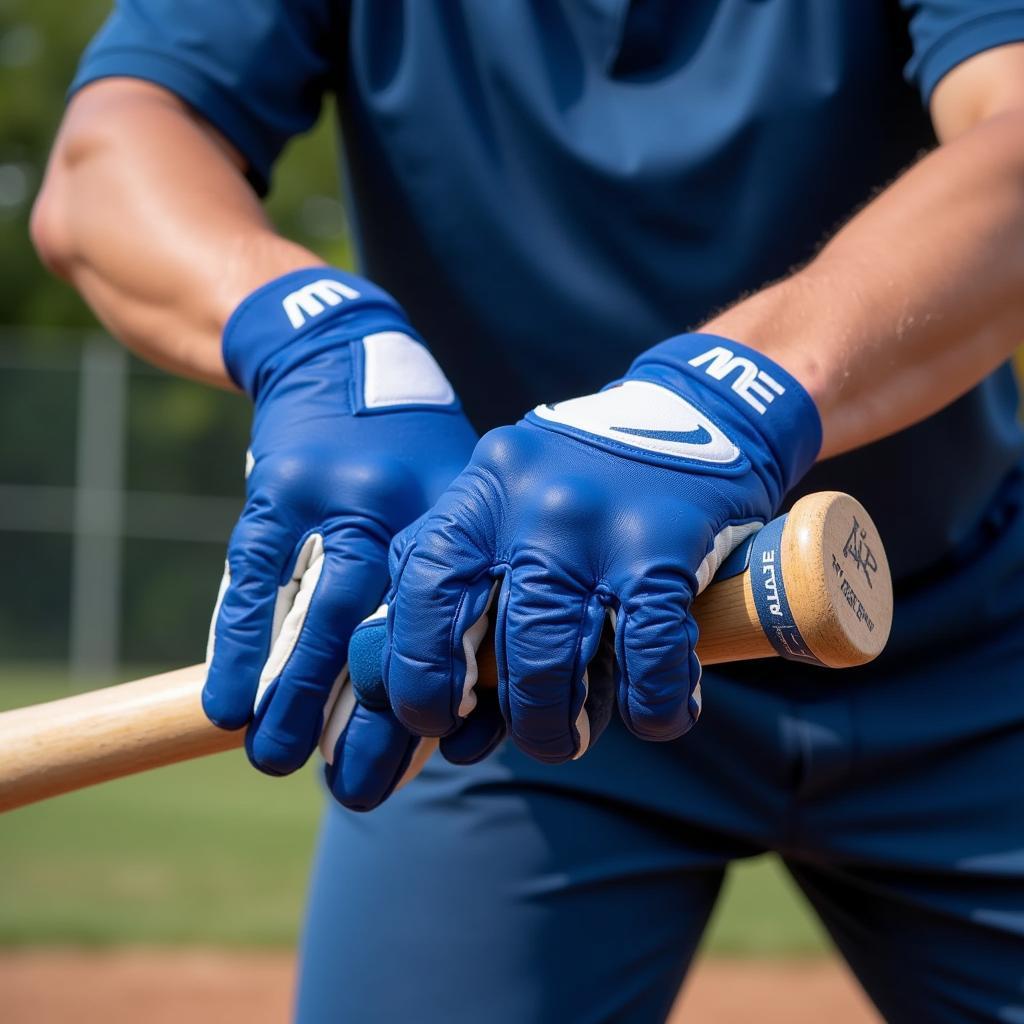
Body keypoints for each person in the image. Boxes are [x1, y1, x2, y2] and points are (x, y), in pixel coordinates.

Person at [32, 3, 1024, 1021]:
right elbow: (106, 159)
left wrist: (719, 401)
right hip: (522, 664)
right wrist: (317, 337)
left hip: (970, 648)